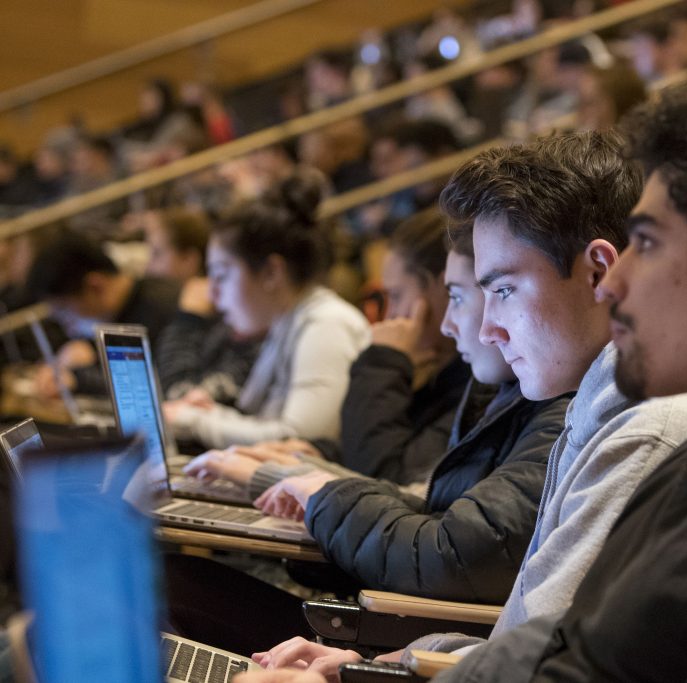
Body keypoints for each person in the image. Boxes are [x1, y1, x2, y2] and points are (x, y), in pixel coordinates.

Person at [411, 70, 687, 683]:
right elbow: (561, 656)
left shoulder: (676, 445)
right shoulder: (682, 464)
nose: (613, 282)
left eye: (649, 242)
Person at [245, 131, 687, 681]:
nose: (488, 328)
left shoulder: (646, 433)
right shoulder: (598, 408)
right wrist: (390, 665)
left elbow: (541, 672)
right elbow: (526, 642)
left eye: (504, 290)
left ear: (599, 273)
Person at [164, 216, 570, 655]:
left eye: (494, 293)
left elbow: (403, 493)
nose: (458, 325)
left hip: (403, 637)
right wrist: (311, 475)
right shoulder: (501, 391)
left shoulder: (533, 400)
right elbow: (427, 504)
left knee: (164, 585)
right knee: (165, 579)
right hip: (400, 621)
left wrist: (313, 482)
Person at [184, 208, 473, 491]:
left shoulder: (328, 324)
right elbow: (365, 455)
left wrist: (382, 363)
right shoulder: (434, 372)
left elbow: (382, 477)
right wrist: (319, 452)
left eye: (396, 296)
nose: (390, 316)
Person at [162, 170, 370, 449]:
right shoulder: (290, 320)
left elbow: (300, 441)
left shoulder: (327, 324)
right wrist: (208, 412)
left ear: (272, 272)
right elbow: (262, 422)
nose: (212, 293)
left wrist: (193, 420)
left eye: (222, 275)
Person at [25, 231, 181, 396]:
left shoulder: (163, 308)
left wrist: (77, 379)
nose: (64, 321)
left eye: (64, 309)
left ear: (95, 286)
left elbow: (159, 387)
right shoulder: (119, 313)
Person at [145, 207, 263, 406]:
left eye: (157, 254)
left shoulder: (245, 329)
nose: (148, 268)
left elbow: (179, 395)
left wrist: (187, 320)